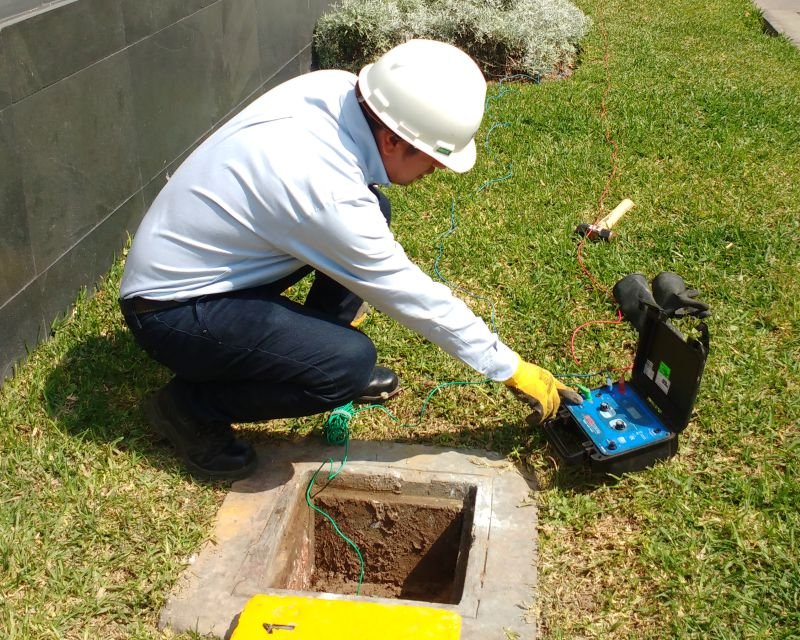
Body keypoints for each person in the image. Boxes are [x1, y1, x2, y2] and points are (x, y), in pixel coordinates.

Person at [119, 39, 581, 481]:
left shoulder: (335, 88)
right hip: (170, 312)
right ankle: (189, 408)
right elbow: (408, 293)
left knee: (374, 209)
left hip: (210, 267)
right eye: (435, 157)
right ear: (393, 141)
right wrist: (511, 369)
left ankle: (306, 357)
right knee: (348, 364)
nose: (438, 169)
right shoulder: (325, 192)